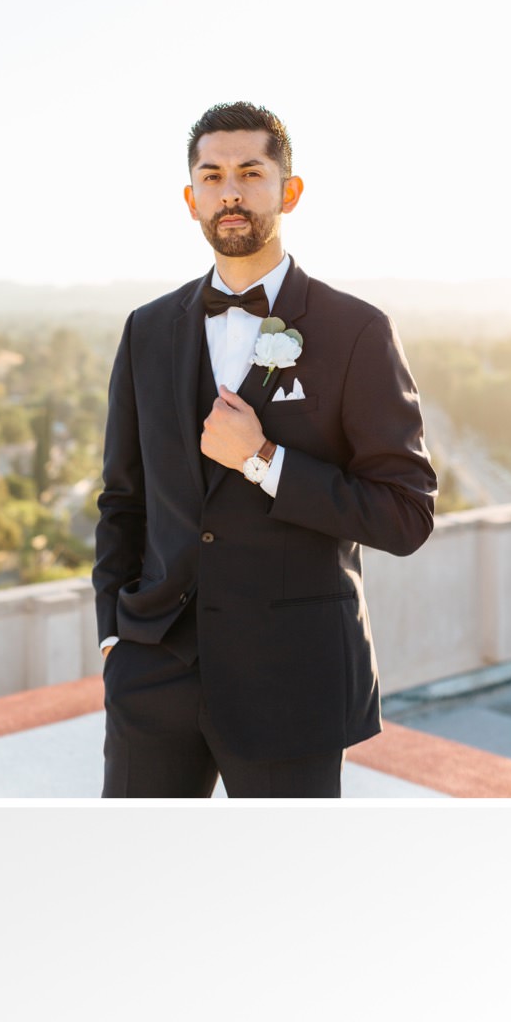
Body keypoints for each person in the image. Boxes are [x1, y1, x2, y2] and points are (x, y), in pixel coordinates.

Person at [94, 101, 437, 798]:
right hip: (153, 674)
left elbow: (405, 515)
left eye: (251, 172)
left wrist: (263, 461)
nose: (231, 191)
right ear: (191, 198)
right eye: (213, 175)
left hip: (294, 680)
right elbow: (122, 500)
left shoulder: (356, 331)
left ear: (289, 189)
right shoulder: (148, 330)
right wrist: (115, 638)